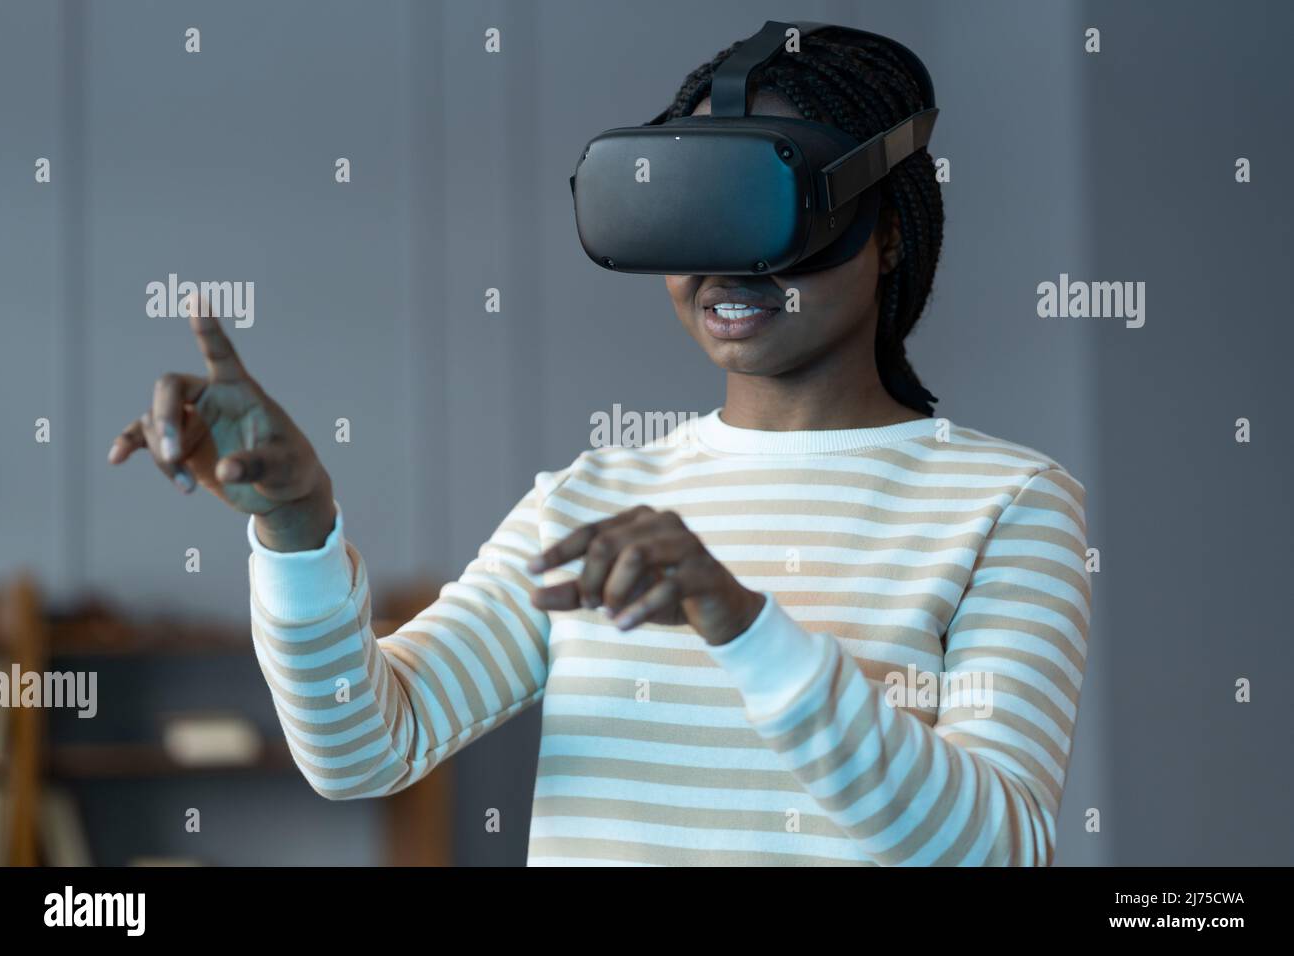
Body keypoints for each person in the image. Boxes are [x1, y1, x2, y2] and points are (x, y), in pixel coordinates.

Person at [109, 27, 1089, 865]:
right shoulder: (590, 498)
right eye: (689, 206)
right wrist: (296, 528)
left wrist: (747, 625)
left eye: (766, 204)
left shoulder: (1008, 502)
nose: (723, 262)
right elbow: (365, 746)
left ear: (885, 232)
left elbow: (992, 844)